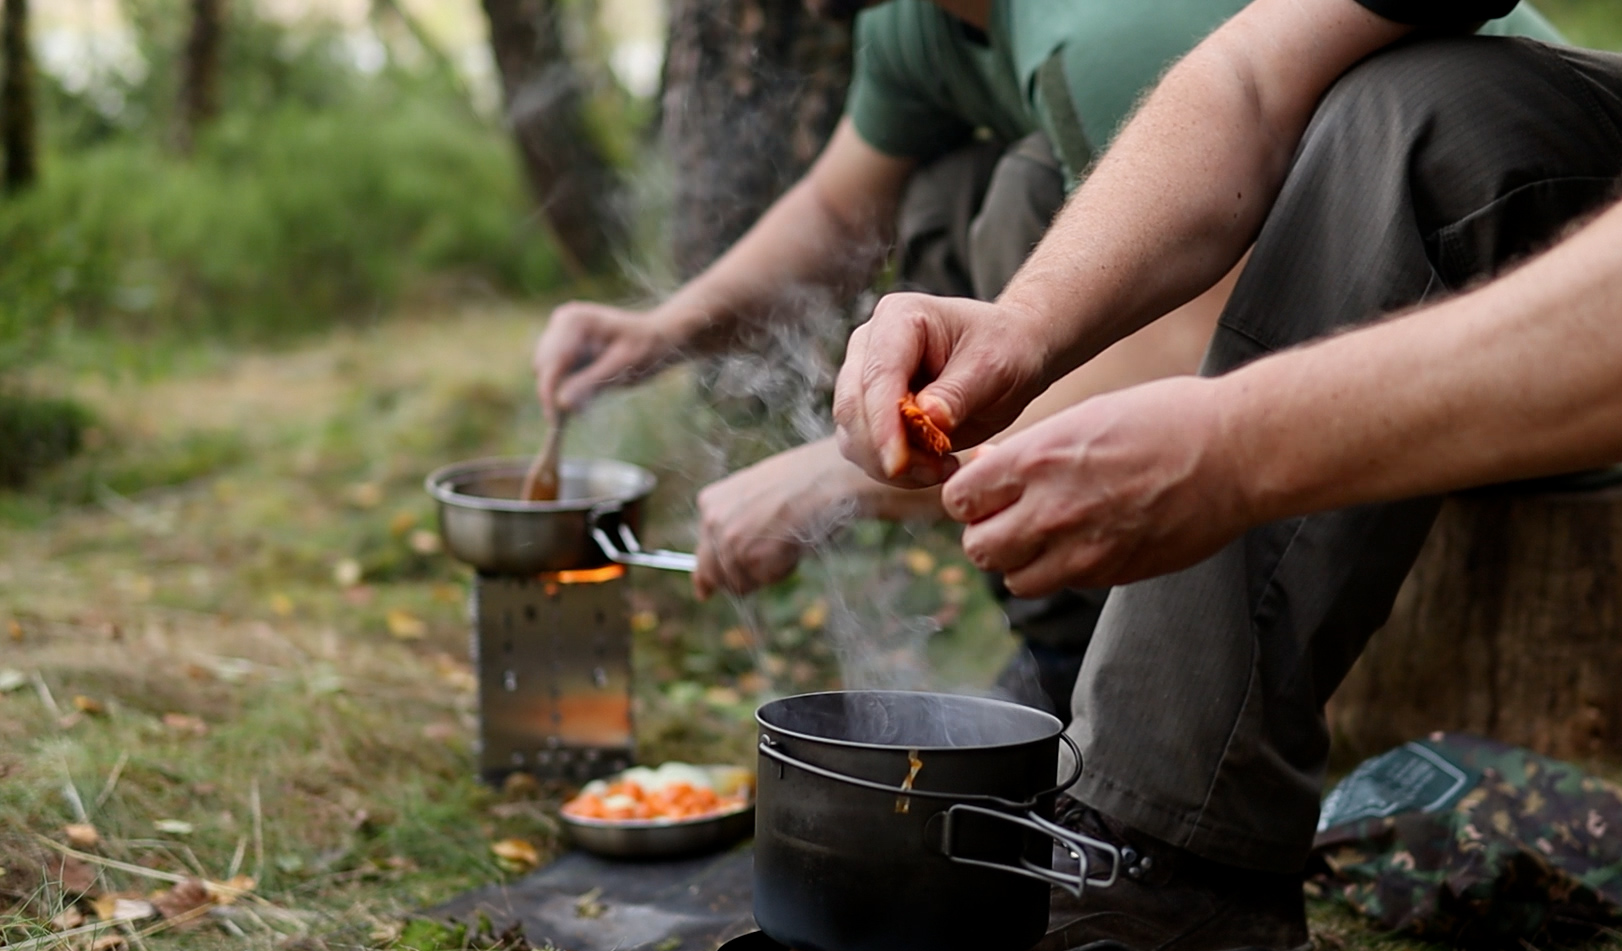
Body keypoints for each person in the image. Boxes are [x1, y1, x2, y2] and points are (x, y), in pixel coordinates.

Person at [832, 0, 1622, 951]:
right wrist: (1023, 327)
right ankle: (1173, 849)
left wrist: (1237, 446)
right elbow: (1255, 74)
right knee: (1411, 113)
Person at [529, 0, 1564, 717]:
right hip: (1340, 309)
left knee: (1031, 184)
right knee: (959, 189)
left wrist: (840, 478)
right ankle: (1070, 661)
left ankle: (1164, 768)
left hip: (1522, 333)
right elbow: (841, 205)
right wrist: (664, 330)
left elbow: (1200, 356)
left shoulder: (1110, 30)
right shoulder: (923, 23)